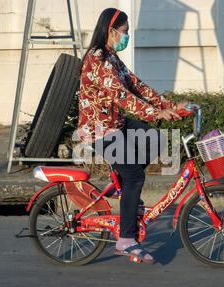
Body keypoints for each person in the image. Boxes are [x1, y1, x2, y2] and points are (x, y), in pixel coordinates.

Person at [77, 8, 189, 264]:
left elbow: (135, 85)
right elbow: (123, 96)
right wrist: (155, 114)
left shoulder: (112, 57)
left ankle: (126, 191)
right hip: (99, 129)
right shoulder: (97, 60)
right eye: (124, 32)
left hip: (115, 123)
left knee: (157, 140)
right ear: (111, 30)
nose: (126, 36)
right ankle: (126, 240)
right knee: (134, 175)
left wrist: (166, 105)